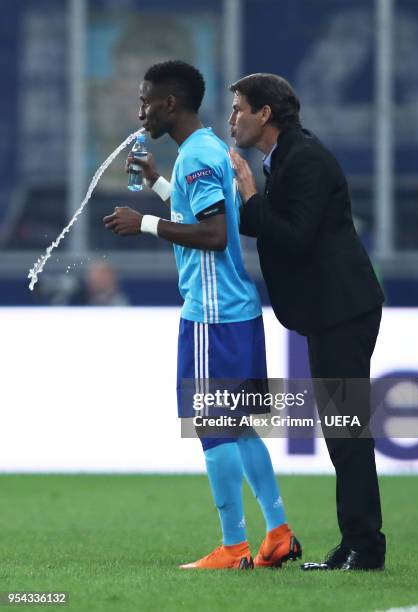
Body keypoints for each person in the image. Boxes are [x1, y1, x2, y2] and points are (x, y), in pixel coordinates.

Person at [103, 61, 301, 569]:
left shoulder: (197, 157)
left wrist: (144, 222)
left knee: (213, 427)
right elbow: (210, 217)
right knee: (239, 428)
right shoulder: (207, 149)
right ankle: (277, 533)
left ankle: (234, 546)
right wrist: (162, 188)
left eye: (147, 100)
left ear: (171, 103)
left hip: (213, 316)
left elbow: (213, 236)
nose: (141, 109)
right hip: (235, 310)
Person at [228, 73, 386, 571]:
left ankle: (365, 546)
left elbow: (292, 237)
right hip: (329, 311)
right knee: (341, 431)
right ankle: (355, 542)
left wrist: (252, 194)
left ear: (264, 114)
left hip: (342, 309)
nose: (232, 119)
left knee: (347, 429)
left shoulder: (306, 159)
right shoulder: (287, 157)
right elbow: (263, 226)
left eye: (238, 109)